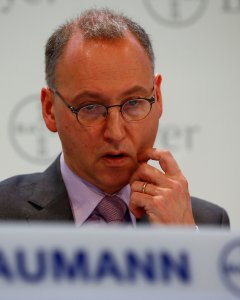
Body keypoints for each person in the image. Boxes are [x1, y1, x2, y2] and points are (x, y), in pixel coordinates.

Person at [0, 8, 229, 227]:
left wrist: (187, 246)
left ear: (157, 97)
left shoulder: (205, 225)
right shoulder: (5, 215)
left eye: (133, 103)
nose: (115, 133)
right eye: (90, 107)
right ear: (50, 109)